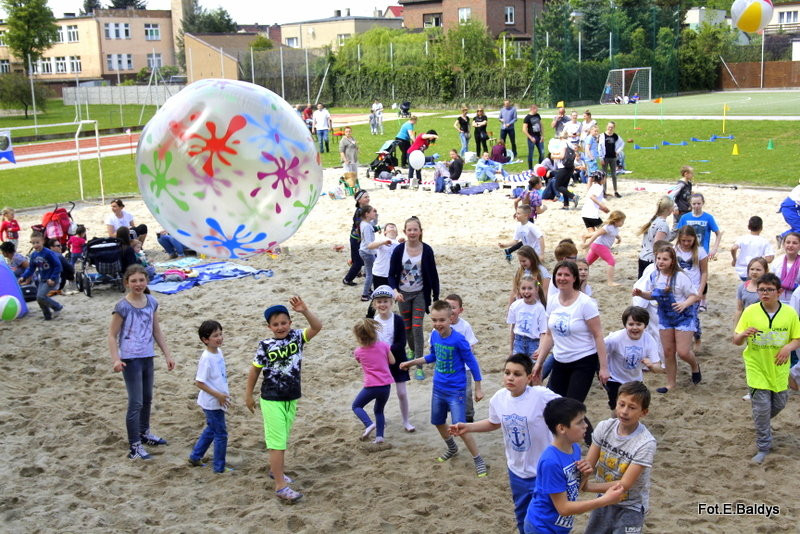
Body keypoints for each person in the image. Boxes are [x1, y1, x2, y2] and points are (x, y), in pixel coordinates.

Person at [449, 354, 560, 534]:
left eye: (517, 374)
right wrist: (468, 427)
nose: (510, 377)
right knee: (522, 513)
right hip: (516, 469)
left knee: (544, 517)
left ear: (529, 377)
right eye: (507, 372)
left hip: (543, 470)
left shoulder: (541, 395)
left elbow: (568, 411)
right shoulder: (499, 398)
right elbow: (494, 422)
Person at [245, 296, 322, 503]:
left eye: (283, 323)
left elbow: (317, 326)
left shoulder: (298, 337)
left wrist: (305, 311)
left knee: (281, 440)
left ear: (290, 323)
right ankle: (280, 486)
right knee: (277, 443)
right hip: (271, 398)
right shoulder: (265, 345)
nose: (280, 327)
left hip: (291, 397)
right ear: (269, 326)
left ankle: (275, 471)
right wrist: (248, 395)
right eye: (275, 324)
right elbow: (255, 371)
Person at [399, 300, 487, 477]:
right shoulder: (434, 335)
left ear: (450, 319)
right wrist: (413, 362)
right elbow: (432, 356)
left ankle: (478, 459)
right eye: (434, 320)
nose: (438, 324)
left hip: (456, 389)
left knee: (459, 426)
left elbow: (472, 363)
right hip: (438, 387)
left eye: (441, 320)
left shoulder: (459, 340)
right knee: (438, 422)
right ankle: (452, 448)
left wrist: (478, 387)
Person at [533, 260, 609, 444]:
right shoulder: (552, 301)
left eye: (567, 275)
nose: (562, 278)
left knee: (571, 408)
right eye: (559, 274)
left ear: (574, 278)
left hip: (583, 360)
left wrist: (603, 368)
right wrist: (539, 363)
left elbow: (598, 334)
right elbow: (549, 335)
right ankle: (587, 441)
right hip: (560, 360)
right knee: (554, 405)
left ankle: (593, 444)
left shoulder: (585, 303)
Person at [523, 397, 625, 534]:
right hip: (542, 527)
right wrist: (605, 500)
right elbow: (563, 508)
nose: (586, 425)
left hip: (559, 526)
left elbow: (574, 489)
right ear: (562, 428)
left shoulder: (575, 449)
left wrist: (584, 476)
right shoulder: (551, 462)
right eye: (580, 422)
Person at [108, 264, 175, 460]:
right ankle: (134, 446)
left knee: (147, 398)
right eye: (134, 280)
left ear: (147, 281)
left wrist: (167, 354)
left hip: (147, 356)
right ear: (126, 283)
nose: (138, 284)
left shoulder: (152, 302)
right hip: (130, 359)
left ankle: (144, 433)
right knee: (135, 402)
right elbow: (112, 335)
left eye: (141, 280)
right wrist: (116, 359)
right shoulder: (122, 306)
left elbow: (156, 331)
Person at [733, 272, 800, 464]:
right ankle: (764, 446)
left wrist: (788, 347)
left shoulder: (789, 313)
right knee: (762, 408)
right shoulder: (751, 311)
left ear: (779, 292)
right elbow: (736, 341)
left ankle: (761, 422)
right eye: (761, 290)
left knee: (778, 404)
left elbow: (797, 338)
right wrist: (744, 333)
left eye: (769, 290)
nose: (765, 293)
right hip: (756, 367)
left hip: (779, 369)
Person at [583, 381, 657, 534]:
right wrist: (580, 478)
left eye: (632, 407)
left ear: (644, 412)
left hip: (630, 506)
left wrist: (587, 486)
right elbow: (589, 464)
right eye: (621, 404)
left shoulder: (646, 443)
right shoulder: (604, 427)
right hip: (604, 499)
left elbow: (625, 484)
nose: (624, 411)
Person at [632, 245, 701, 393]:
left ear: (672, 261)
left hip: (683, 317)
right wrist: (640, 294)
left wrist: (684, 304)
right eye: (658, 258)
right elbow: (652, 295)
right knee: (668, 351)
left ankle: (695, 366)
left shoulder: (681, 277)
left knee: (683, 352)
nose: (661, 262)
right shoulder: (655, 275)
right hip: (664, 317)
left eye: (665, 259)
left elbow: (695, 296)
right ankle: (671, 383)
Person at [388, 216, 439, 380]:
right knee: (407, 327)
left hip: (420, 294)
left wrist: (435, 296)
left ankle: (418, 365)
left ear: (420, 232)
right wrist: (394, 291)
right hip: (403, 295)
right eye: (409, 230)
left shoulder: (427, 250)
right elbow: (391, 275)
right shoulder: (398, 250)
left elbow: (433, 275)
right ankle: (410, 348)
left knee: (417, 327)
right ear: (404, 232)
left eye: (415, 229)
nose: (412, 232)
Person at [188, 320, 231, 473]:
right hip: (211, 402)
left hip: (218, 399)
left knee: (212, 430)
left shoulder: (218, 352)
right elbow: (199, 383)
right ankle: (219, 467)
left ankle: (195, 456)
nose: (219, 338)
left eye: (220, 334)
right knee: (221, 434)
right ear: (205, 340)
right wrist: (218, 395)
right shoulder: (206, 358)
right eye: (215, 336)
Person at [369, 285, 414, 431]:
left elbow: (401, 343)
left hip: (398, 360)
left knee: (401, 393)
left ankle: (406, 421)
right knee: (381, 394)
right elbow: (370, 342)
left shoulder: (398, 320)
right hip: (380, 362)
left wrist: (385, 350)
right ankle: (381, 419)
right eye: (379, 301)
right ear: (374, 304)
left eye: (385, 301)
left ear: (392, 303)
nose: (382, 304)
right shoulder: (372, 322)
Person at [603, 309, 662, 410]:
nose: (634, 328)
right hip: (615, 379)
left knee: (633, 406)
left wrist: (651, 365)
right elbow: (599, 350)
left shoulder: (649, 340)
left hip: (635, 380)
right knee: (617, 408)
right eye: (631, 324)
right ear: (625, 325)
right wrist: (603, 368)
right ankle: (614, 424)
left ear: (645, 325)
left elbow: (658, 368)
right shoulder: (615, 338)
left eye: (639, 324)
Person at [351, 318, 395, 444]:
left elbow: (359, 360)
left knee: (357, 406)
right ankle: (379, 437)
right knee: (379, 410)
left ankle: (369, 424)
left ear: (359, 337)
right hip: (386, 386)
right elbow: (392, 361)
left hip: (371, 386)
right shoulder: (384, 346)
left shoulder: (358, 351)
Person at [442, 294, 480, 423]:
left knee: (466, 393)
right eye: (448, 307)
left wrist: (462, 351)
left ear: (460, 310)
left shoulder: (465, 326)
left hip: (464, 368)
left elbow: (471, 346)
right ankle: (454, 415)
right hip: (448, 369)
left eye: (454, 307)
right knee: (450, 392)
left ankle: (468, 416)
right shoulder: (441, 324)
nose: (451, 310)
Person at [18, 230, 64, 320]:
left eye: (37, 242)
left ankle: (57, 307)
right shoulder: (34, 255)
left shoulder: (48, 253)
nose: (35, 245)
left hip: (51, 279)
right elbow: (31, 268)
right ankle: (47, 316)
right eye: (33, 243)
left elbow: (58, 266)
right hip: (42, 279)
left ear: (43, 241)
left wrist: (53, 278)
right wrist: (23, 276)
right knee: (39, 299)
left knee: (41, 296)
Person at [675, 226, 707, 347]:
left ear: (694, 239)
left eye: (689, 240)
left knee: (692, 316)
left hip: (694, 290)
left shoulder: (700, 251)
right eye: (683, 240)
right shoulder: (675, 250)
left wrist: (700, 291)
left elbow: (704, 272)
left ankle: (697, 337)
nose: (686, 243)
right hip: (678, 289)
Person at [507, 275, 547, 363]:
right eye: (523, 288)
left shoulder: (539, 308)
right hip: (518, 342)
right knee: (518, 367)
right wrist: (511, 349)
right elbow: (512, 328)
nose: (526, 291)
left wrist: (540, 348)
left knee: (532, 371)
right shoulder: (515, 306)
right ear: (519, 290)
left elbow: (543, 332)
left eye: (530, 288)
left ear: (536, 289)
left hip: (534, 343)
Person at [637, 196, 677, 278]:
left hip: (643, 257)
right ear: (669, 210)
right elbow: (657, 244)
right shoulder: (663, 224)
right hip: (651, 260)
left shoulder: (654, 220)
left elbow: (664, 238)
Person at [583, 210, 626, 286]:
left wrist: (618, 238)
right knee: (611, 261)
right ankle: (610, 282)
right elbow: (596, 234)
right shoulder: (607, 227)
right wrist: (588, 243)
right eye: (622, 221)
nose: (623, 223)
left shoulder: (615, 228)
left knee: (586, 263)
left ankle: (574, 273)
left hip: (598, 246)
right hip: (599, 246)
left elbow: (614, 234)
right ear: (615, 221)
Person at [677, 193, 722, 261]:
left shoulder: (708, 217)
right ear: (690, 203)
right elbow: (679, 234)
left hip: (703, 252)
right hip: (687, 251)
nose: (696, 206)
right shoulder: (684, 218)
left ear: (703, 203)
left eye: (699, 203)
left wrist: (714, 249)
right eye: (694, 204)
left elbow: (718, 234)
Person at [343, 190, 372, 287]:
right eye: (365, 197)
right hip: (356, 239)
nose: (368, 199)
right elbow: (360, 226)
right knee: (358, 261)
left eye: (368, 197)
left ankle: (357, 272)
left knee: (357, 259)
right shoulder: (360, 211)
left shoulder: (364, 209)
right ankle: (347, 279)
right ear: (359, 200)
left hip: (357, 238)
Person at [731, 216, 774, 281]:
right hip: (757, 271)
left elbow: (733, 248)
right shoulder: (764, 241)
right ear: (761, 228)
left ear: (748, 227)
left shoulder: (742, 238)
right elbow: (769, 259)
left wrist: (734, 259)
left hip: (742, 271)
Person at [734, 257, 768, 327]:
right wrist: (735, 329)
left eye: (758, 270)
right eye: (752, 269)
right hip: (746, 323)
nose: (754, 272)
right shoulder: (742, 287)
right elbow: (739, 309)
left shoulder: (769, 289)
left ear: (765, 271)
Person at [357, 204, 381, 302]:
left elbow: (374, 223)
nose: (374, 213)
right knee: (371, 274)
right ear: (367, 214)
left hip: (365, 251)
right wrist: (380, 244)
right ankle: (364, 294)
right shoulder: (366, 226)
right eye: (373, 212)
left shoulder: (365, 223)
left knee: (368, 271)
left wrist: (376, 214)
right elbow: (368, 243)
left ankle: (368, 290)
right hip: (367, 252)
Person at [770, 231, 800, 303]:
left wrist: (795, 287)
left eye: (794, 243)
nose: (790, 245)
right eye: (788, 242)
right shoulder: (777, 262)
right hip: (777, 301)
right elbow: (770, 280)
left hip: (797, 301)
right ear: (783, 244)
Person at [598, 122, 623, 198]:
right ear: (606, 127)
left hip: (613, 157)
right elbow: (599, 147)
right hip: (605, 157)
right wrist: (601, 158)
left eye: (612, 127)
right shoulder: (602, 136)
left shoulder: (615, 136)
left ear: (614, 128)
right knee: (604, 175)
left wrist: (617, 151)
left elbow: (622, 144)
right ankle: (604, 191)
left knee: (614, 175)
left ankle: (615, 191)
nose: (610, 128)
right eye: (609, 127)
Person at [580, 171, 609, 235]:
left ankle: (589, 242)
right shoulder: (598, 187)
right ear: (601, 178)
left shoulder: (593, 187)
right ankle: (585, 237)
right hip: (592, 214)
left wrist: (601, 208)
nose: (606, 179)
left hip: (584, 213)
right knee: (605, 231)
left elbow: (591, 200)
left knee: (592, 234)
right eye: (605, 178)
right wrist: (602, 205)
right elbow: (592, 197)